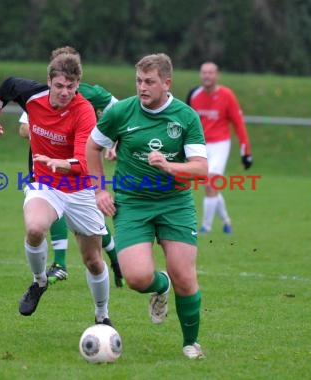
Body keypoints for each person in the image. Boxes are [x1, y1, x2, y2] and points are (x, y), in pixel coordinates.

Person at [86, 53, 208, 359]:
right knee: (138, 278)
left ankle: (190, 343)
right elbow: (93, 146)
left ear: (167, 83)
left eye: (149, 82)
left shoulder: (186, 117)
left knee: (185, 275)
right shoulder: (121, 112)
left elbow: (201, 168)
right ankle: (160, 286)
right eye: (139, 81)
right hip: (133, 204)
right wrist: (100, 190)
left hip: (175, 203)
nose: (142, 87)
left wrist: (169, 167)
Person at [0, 47, 113, 326]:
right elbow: (6, 87)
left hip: (80, 188)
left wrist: (61, 162)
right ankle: (39, 281)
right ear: (49, 80)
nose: (64, 92)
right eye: (59, 86)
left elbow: (83, 161)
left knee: (92, 260)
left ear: (78, 85)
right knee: (34, 228)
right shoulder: (32, 94)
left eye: (70, 86)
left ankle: (102, 315)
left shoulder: (84, 111)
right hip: (44, 182)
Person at [18, 82, 124, 287]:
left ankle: (115, 257)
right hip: (45, 166)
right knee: (49, 213)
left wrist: (114, 143)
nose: (63, 89)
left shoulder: (91, 94)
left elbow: (120, 114)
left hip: (81, 168)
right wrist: (46, 128)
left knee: (93, 226)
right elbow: (23, 128)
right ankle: (60, 263)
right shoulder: (41, 95)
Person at [186, 62, 253, 234]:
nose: (207, 75)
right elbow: (185, 122)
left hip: (220, 144)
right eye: (204, 72)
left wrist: (245, 151)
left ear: (217, 75)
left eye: (210, 72)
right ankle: (226, 221)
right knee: (210, 186)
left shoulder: (227, 95)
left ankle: (206, 227)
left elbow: (238, 123)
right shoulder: (194, 95)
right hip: (200, 145)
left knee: (210, 183)